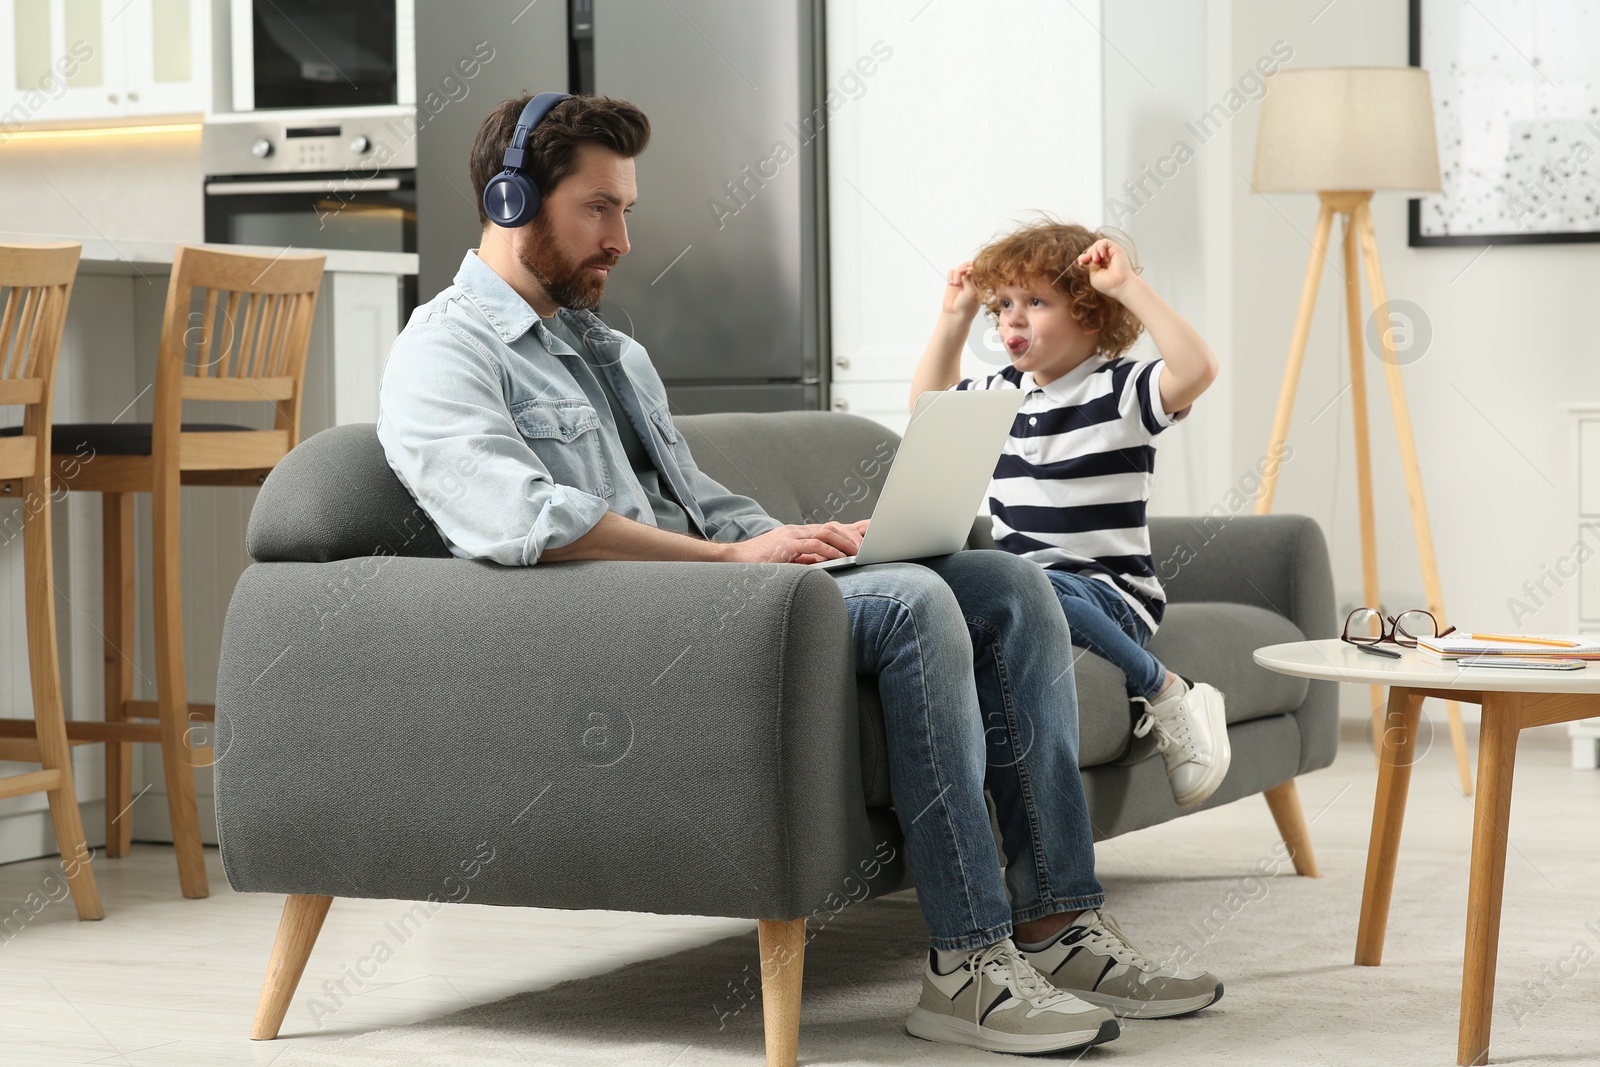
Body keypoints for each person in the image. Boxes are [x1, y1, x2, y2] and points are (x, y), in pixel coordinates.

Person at [377, 94, 1223, 1056]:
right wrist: (733, 561)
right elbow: (525, 521)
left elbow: (697, 496)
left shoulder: (610, 350)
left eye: (627, 211)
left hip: (720, 585)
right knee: (911, 604)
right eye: (597, 209)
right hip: (639, 617)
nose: (619, 238)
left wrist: (804, 537)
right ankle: (967, 964)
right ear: (512, 198)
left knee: (1002, 580)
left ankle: (1056, 924)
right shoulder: (441, 350)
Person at [910, 220, 1232, 809]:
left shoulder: (1120, 390)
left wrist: (1128, 286)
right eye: (1004, 304)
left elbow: (1197, 369)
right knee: (987, 587)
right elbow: (928, 416)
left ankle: (1164, 689)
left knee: (1031, 584)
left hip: (1111, 595)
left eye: (1036, 302)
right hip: (1026, 598)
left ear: (1091, 315)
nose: (1013, 318)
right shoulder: (996, 397)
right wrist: (953, 320)